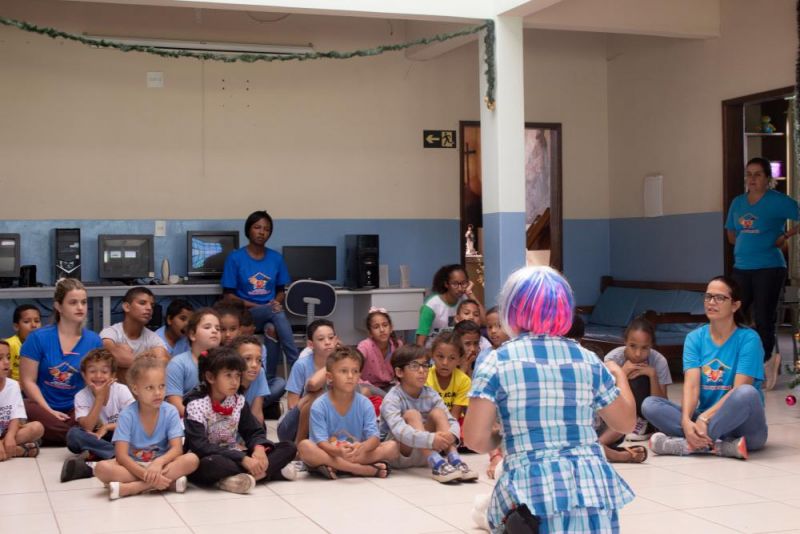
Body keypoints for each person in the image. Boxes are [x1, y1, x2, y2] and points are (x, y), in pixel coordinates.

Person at [463, 266, 635, 532]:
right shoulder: (587, 359)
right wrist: (620, 376)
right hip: (590, 488)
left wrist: (502, 438)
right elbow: (624, 423)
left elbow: (474, 439)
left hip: (531, 494)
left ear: (511, 310)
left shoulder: (496, 361)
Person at [643, 275, 767, 460]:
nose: (711, 302)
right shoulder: (694, 338)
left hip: (744, 429)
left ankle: (688, 444)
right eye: (708, 297)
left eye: (719, 298)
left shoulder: (749, 339)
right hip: (707, 419)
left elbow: (738, 390)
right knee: (650, 405)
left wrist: (704, 419)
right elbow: (691, 386)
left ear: (735, 305)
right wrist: (686, 421)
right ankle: (720, 447)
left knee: (747, 393)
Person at [725, 157, 800, 389]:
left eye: (758, 174)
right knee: (733, 313)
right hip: (742, 267)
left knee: (764, 317)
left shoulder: (778, 202)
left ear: (768, 179)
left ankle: (767, 362)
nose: (752, 179)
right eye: (749, 174)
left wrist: (785, 236)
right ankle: (740, 361)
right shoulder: (738, 203)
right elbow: (731, 234)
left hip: (769, 267)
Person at [183, 346, 297, 494]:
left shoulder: (238, 401)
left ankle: (237, 478)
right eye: (228, 375)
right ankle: (269, 472)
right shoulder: (196, 405)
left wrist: (259, 448)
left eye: (237, 375)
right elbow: (200, 446)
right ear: (210, 377)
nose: (234, 381)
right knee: (213, 464)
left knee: (289, 447)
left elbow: (253, 431)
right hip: (208, 457)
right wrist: (243, 459)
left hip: (233, 453)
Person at [94, 353, 199, 500]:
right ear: (136, 389)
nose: (157, 393)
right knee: (101, 469)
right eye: (150, 388)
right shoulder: (127, 415)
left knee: (192, 459)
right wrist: (146, 474)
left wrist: (158, 463)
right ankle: (166, 483)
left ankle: (131, 488)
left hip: (161, 465)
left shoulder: (170, 411)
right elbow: (122, 456)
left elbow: (177, 449)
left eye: (162, 386)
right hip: (133, 466)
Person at [20, 279, 103, 445]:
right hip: (41, 406)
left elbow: (96, 382)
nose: (80, 307)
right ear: (58, 306)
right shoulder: (38, 338)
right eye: (73, 302)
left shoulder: (94, 341)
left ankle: (45, 435)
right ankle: (77, 437)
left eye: (84, 302)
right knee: (25, 406)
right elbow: (27, 381)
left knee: (90, 417)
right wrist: (49, 410)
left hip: (76, 408)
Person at [380, 344, 477, 483]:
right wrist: (431, 439)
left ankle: (455, 460)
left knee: (438, 412)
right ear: (399, 372)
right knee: (412, 414)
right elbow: (399, 430)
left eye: (425, 365)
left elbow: (450, 420)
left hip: (423, 452)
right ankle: (437, 464)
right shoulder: (392, 398)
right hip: (399, 454)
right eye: (414, 366)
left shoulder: (430, 393)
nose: (422, 371)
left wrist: (451, 435)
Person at [298, 346, 399, 479]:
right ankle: (360, 469)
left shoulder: (365, 404)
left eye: (355, 371)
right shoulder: (319, 405)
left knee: (393, 447)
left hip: (355, 453)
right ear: (330, 377)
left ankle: (336, 467)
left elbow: (374, 438)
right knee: (304, 447)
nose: (350, 376)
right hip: (330, 452)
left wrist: (362, 447)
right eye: (343, 371)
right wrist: (338, 451)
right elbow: (321, 442)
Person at [221, 210, 299, 369]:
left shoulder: (276, 258)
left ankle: (268, 379)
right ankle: (296, 364)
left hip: (270, 312)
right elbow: (228, 296)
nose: (262, 232)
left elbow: (281, 291)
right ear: (248, 229)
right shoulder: (235, 258)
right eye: (257, 227)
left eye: (266, 229)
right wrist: (262, 307)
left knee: (272, 328)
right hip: (246, 313)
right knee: (276, 313)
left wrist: (275, 303)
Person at [62, 348, 135, 482]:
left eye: (104, 371)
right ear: (84, 375)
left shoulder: (121, 390)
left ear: (113, 375)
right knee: (73, 435)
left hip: (120, 434)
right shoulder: (81, 396)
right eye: (92, 371)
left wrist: (107, 427)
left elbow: (133, 422)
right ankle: (117, 456)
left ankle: (98, 457)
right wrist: (99, 399)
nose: (98, 376)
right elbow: (88, 427)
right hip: (97, 438)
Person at [603, 318, 671, 441]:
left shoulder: (659, 360)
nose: (638, 353)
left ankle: (645, 424)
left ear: (651, 346)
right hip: (620, 410)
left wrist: (653, 376)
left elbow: (662, 403)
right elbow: (604, 394)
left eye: (644, 348)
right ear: (625, 342)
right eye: (633, 346)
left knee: (641, 379)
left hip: (647, 410)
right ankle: (628, 422)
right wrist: (622, 373)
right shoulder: (612, 358)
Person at [277, 319, 337, 443]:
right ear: (311, 344)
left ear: (336, 340)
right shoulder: (302, 365)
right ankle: (299, 444)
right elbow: (292, 404)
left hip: (326, 424)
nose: (327, 342)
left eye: (331, 338)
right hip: (293, 428)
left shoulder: (343, 365)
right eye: (321, 339)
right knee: (314, 395)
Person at [100, 286, 169, 382]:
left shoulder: (153, 337)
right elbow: (111, 355)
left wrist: (124, 364)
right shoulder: (111, 332)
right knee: (123, 350)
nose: (149, 308)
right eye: (142, 303)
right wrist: (147, 357)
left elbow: (163, 360)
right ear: (127, 307)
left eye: (152, 305)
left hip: (144, 392)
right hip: (115, 394)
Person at [165, 309, 221, 417]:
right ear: (192, 335)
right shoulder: (178, 364)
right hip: (187, 423)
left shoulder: (226, 363)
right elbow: (175, 404)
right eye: (207, 327)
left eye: (218, 328)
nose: (214, 331)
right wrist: (200, 421)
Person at [416, 264, 480, 347]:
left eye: (464, 283)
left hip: (457, 349)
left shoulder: (464, 298)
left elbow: (484, 321)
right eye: (455, 284)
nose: (460, 288)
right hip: (433, 351)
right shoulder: (431, 306)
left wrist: (470, 293)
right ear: (446, 284)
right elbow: (420, 342)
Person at [0, 340, 44, 460]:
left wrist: (10, 436)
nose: (6, 362)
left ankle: (6, 449)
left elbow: (16, 417)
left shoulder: (13, 385)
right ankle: (19, 450)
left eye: (8, 357)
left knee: (37, 427)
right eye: (0, 358)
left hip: (5, 433)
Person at [239, 309, 284, 420]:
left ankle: (262, 404)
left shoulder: (260, 348)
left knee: (281, 383)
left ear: (253, 330)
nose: (254, 363)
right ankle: (268, 408)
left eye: (258, 359)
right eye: (247, 358)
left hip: (256, 385)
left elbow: (259, 371)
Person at [426, 330, 471, 421]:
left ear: (459, 360)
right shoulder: (424, 377)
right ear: (432, 355)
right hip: (429, 421)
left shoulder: (464, 381)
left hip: (453, 422)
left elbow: (455, 416)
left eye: (452, 358)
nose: (445, 363)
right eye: (440, 356)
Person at [357, 308, 402, 392]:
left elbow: (403, 370)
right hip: (368, 387)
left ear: (391, 328)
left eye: (385, 325)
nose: (382, 330)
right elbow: (353, 368)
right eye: (376, 327)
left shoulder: (397, 345)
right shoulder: (365, 346)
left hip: (390, 386)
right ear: (370, 332)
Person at [231, 335, 271, 425]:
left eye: (259, 360)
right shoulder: (225, 380)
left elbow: (256, 413)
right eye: (247, 359)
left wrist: (259, 438)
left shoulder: (260, 372)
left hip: (247, 431)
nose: (254, 365)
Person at [4, 304, 41, 381]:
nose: (34, 325)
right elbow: (5, 378)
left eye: (37, 321)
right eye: (27, 321)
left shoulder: (44, 345)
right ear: (16, 326)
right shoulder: (9, 345)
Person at [474, 306, 510, 372]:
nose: (493, 331)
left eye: (499, 326)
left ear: (509, 326)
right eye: (490, 327)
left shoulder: (514, 351)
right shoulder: (483, 356)